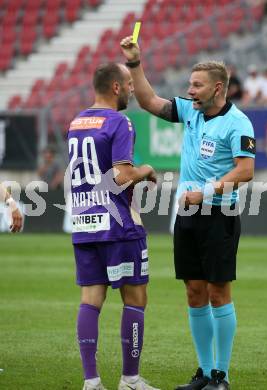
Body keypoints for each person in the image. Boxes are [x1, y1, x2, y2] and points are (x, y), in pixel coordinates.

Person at [120, 37, 255, 390]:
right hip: (187, 216)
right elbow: (148, 100)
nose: (190, 90)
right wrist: (135, 62)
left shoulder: (238, 122)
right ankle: (206, 372)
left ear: (218, 88)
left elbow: (245, 171)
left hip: (219, 216)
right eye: (190, 85)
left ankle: (222, 377)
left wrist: (205, 192)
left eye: (197, 85)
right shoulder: (191, 111)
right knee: (194, 291)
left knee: (217, 293)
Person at [67, 62, 160, 390]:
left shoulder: (76, 122)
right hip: (118, 225)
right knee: (135, 298)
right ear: (116, 87)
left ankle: (91, 381)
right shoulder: (120, 122)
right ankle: (130, 379)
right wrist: (146, 169)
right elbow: (120, 176)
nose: (134, 89)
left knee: (90, 299)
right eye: (129, 84)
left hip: (83, 221)